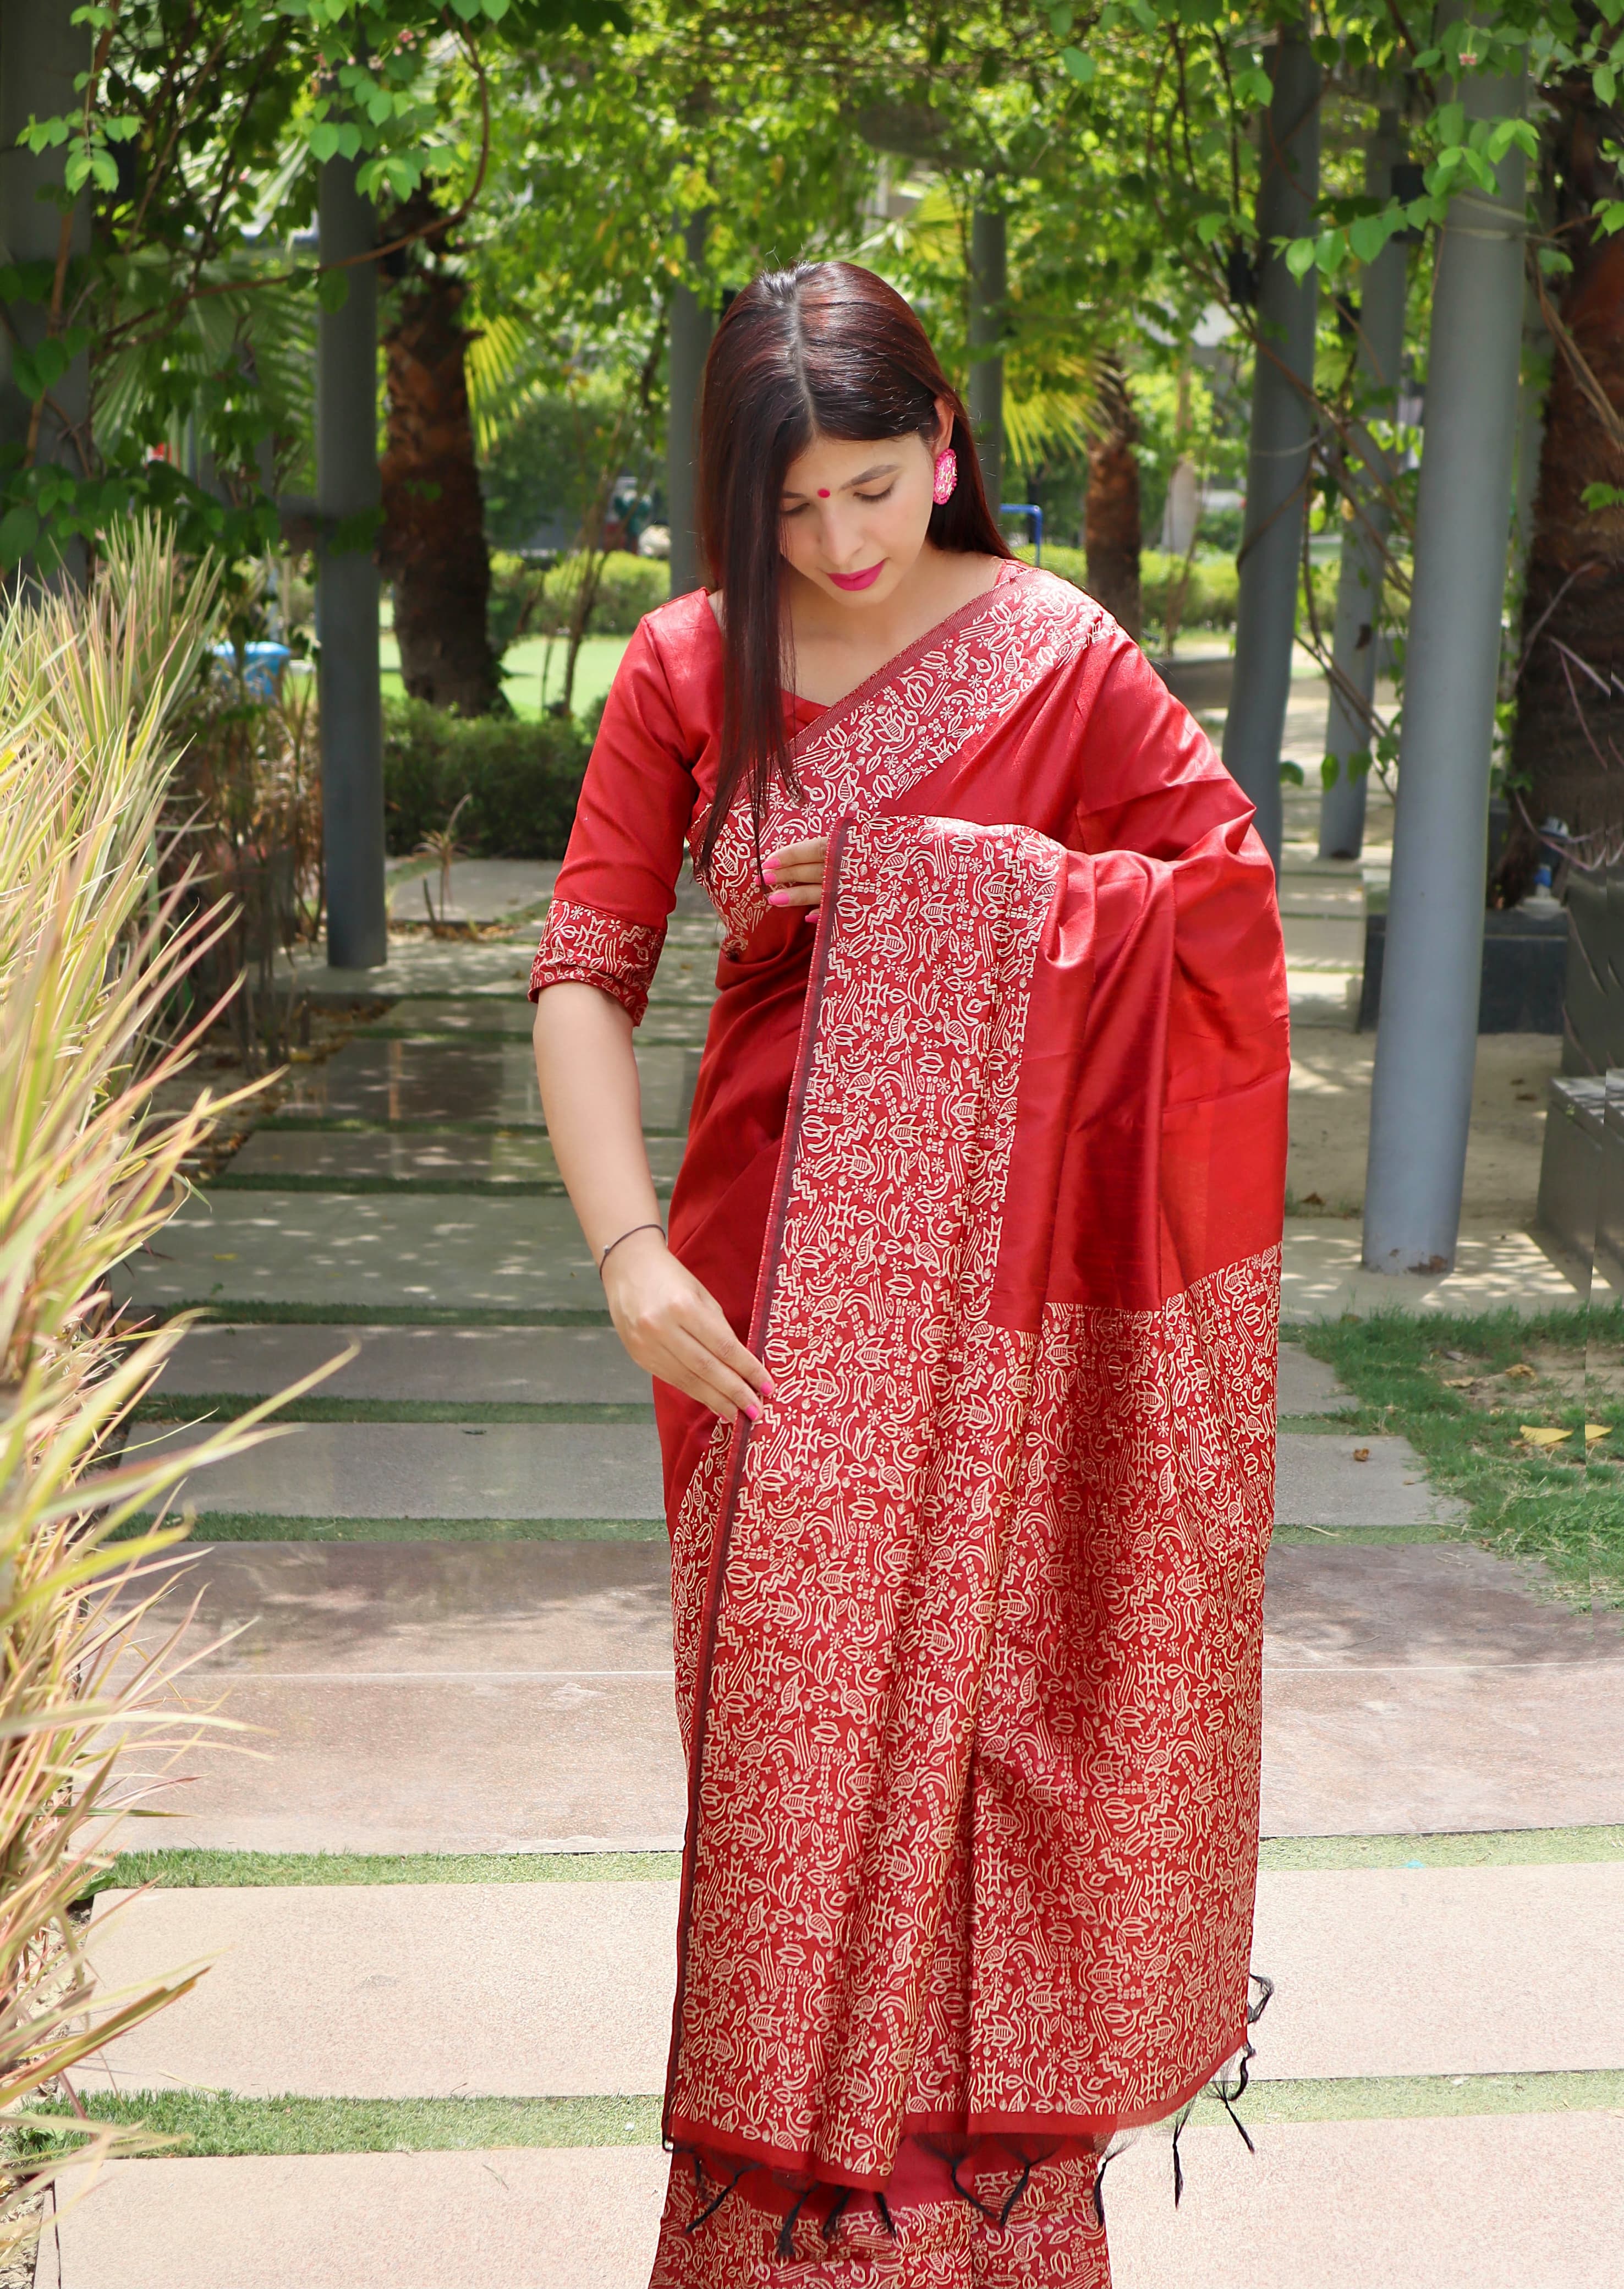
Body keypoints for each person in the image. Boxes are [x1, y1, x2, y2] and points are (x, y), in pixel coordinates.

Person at [530, 260, 1289, 2288]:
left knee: (1003, 1767)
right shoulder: (691, 667)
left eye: (874, 488)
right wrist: (624, 1251)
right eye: (792, 510)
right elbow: (582, 978)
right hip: (757, 1324)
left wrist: (914, 884)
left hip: (1022, 1326)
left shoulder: (1064, 656)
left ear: (942, 449)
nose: (842, 546)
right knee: (800, 1807)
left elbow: (1223, 924)